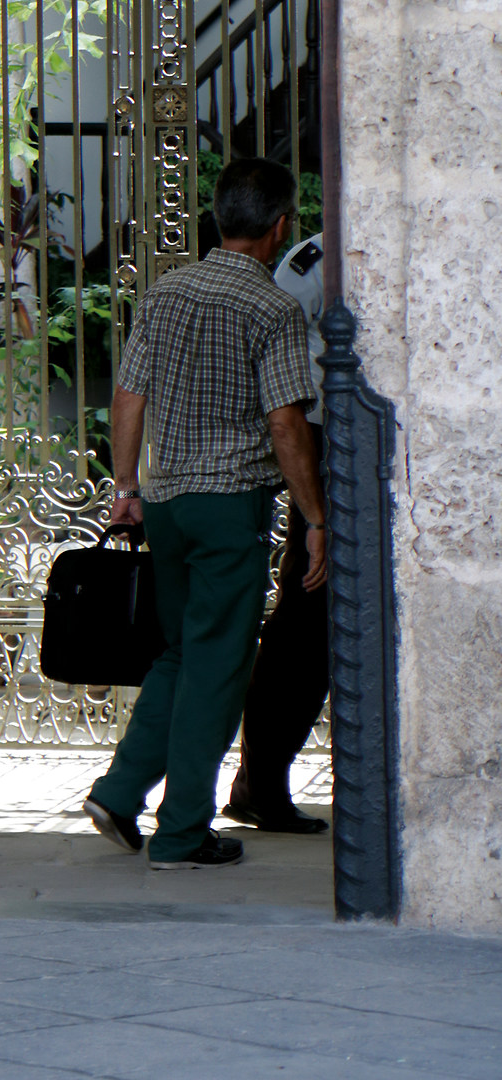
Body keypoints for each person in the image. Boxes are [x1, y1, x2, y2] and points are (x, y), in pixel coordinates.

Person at [82, 158, 326, 869]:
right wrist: (312, 518)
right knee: (219, 667)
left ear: (219, 218)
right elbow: (285, 422)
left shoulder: (164, 294)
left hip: (164, 503)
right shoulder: (270, 308)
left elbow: (128, 396)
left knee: (178, 654)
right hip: (228, 508)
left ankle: (120, 789)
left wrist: (124, 486)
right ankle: (182, 831)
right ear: (279, 227)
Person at [224, 229, 330, 833]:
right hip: (327, 442)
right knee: (307, 616)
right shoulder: (317, 256)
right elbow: (278, 340)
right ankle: (260, 782)